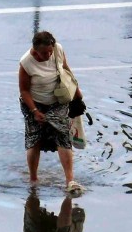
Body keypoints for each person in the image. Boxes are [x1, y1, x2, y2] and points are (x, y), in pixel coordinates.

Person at [19, 31, 84, 194]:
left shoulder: (58, 50)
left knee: (63, 136)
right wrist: (34, 111)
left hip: (57, 101)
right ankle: (33, 179)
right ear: (35, 50)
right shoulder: (26, 62)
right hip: (35, 103)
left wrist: (77, 94)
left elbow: (66, 70)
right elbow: (24, 91)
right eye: (44, 53)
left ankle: (70, 180)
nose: (48, 55)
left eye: (50, 51)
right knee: (35, 139)